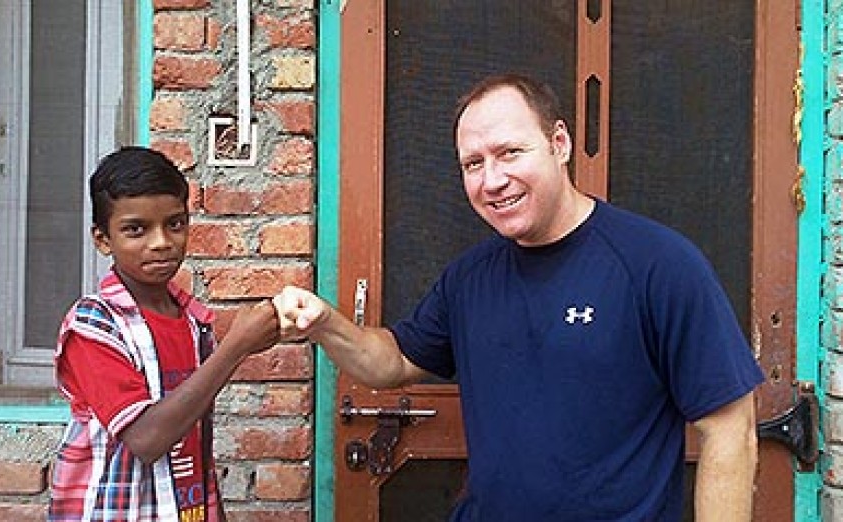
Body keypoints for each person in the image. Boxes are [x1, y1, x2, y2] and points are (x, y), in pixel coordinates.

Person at [274, 74, 764, 521]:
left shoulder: (657, 265)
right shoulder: (469, 278)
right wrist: (324, 324)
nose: (492, 180)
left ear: (559, 144)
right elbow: (395, 362)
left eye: (510, 153)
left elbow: (730, 431)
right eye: (473, 163)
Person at [48, 146, 279, 522]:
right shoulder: (93, 325)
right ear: (103, 239)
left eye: (175, 224)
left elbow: (192, 437)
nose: (161, 242)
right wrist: (236, 347)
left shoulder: (190, 322)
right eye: (135, 229)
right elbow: (146, 438)